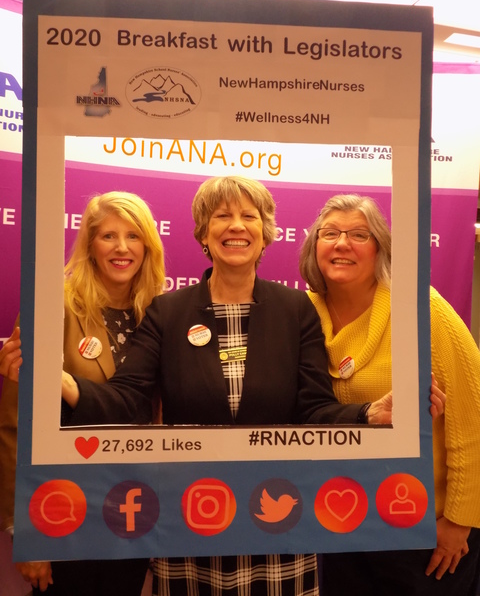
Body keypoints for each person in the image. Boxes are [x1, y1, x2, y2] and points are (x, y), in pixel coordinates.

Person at [59, 176, 398, 596]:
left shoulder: (296, 310)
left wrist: (369, 414)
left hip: (278, 519)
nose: (236, 225)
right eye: (222, 216)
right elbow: (127, 400)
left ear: (265, 233)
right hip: (191, 519)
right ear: (204, 233)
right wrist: (60, 381)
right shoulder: (168, 311)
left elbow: (314, 410)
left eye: (248, 216)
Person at [299, 193, 480, 596]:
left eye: (358, 234)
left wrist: (460, 520)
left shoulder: (422, 309)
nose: (342, 243)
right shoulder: (301, 313)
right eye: (330, 233)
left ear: (380, 247)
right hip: (340, 522)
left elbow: (472, 416)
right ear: (314, 246)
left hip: (424, 527)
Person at [0, 191, 166, 595]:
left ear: (148, 245)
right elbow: (15, 423)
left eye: (133, 235)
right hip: (63, 511)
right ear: (90, 245)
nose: (122, 247)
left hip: (136, 511)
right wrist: (25, 529)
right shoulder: (52, 307)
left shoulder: (161, 313)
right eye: (109, 236)